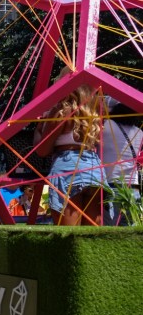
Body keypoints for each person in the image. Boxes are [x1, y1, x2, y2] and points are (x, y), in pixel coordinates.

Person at [34, 67, 104, 226]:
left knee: (69, 239)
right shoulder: (95, 112)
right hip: (93, 167)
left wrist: (39, 128)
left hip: (67, 168)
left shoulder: (61, 111)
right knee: (92, 239)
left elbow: (42, 150)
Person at [101, 102, 143, 225]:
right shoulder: (139, 132)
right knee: (130, 229)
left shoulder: (107, 126)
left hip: (112, 183)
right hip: (133, 186)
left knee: (110, 228)